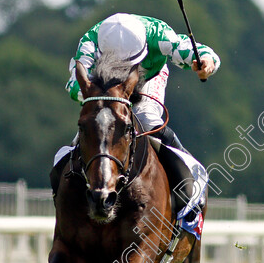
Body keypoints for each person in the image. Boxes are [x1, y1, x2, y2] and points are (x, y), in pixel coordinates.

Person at [53, 12, 220, 205]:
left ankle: (189, 174)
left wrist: (207, 61)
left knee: (148, 121)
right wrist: (102, 97)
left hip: (147, 79)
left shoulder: (159, 34)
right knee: (91, 131)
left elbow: (189, 49)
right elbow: (74, 84)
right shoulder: (90, 42)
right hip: (106, 88)